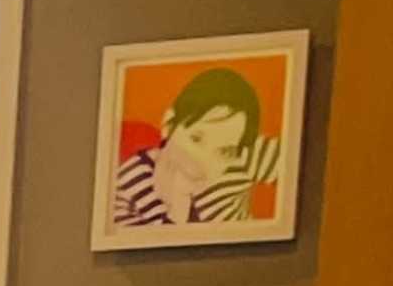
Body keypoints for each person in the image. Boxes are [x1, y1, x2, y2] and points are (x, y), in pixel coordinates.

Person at [112, 61, 275, 234]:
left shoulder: (241, 153)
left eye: (224, 151)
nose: (203, 159)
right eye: (196, 138)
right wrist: (178, 204)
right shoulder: (130, 185)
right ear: (169, 125)